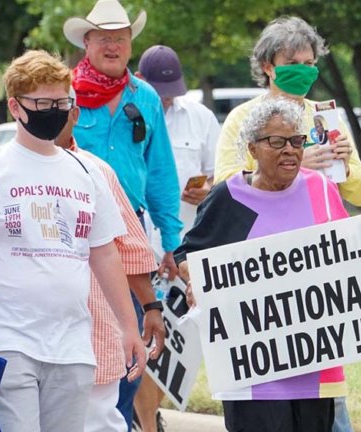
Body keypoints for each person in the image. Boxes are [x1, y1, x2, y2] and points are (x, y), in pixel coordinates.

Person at [0, 49, 146, 431]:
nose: (56, 111)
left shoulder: (87, 172)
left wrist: (128, 327)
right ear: (16, 107)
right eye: (44, 103)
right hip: (8, 340)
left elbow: (104, 256)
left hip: (72, 343)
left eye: (63, 102)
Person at [178, 98, 361, 432]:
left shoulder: (320, 187)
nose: (289, 150)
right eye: (276, 142)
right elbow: (187, 256)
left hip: (317, 368)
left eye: (296, 141)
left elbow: (348, 250)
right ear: (253, 149)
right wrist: (197, 282)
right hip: (252, 375)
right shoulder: (229, 198)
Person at [63, 1, 182, 427]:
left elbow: (162, 175)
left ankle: (118, 421)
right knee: (80, 344)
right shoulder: (66, 92)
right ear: (87, 42)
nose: (113, 46)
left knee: (130, 341)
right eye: (104, 38)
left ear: (131, 44)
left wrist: (172, 244)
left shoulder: (145, 96)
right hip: (72, 236)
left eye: (121, 38)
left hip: (127, 235)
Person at [52, 90, 165, 432]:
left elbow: (128, 249)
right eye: (40, 104)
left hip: (94, 336)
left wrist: (150, 307)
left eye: (60, 107)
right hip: (25, 341)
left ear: (75, 115)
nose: (50, 115)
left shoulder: (95, 172)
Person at [133, 44, 220, 432]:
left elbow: (223, 175)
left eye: (172, 91)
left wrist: (208, 189)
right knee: (143, 342)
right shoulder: (129, 114)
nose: (166, 99)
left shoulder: (200, 118)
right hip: (138, 250)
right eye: (159, 90)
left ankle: (147, 416)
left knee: (172, 348)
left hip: (184, 252)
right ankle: (146, 422)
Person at [214, 16, 361, 209]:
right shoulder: (242, 118)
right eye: (292, 63)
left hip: (319, 231)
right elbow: (225, 188)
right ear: (268, 67)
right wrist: (292, 167)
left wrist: (346, 169)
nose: (302, 71)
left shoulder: (326, 118)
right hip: (268, 229)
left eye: (308, 64)